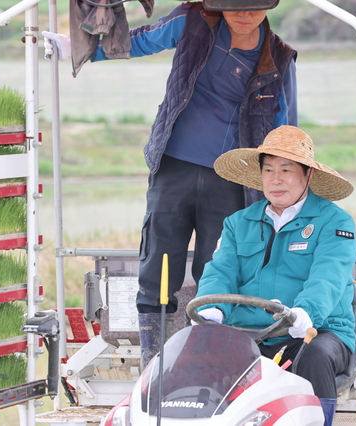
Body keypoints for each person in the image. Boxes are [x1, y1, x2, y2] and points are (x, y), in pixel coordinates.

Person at [43, 0, 297, 369]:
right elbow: (138, 41)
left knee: (218, 275)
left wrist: (286, 184)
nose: (243, 14)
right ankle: (153, 368)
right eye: (234, 6)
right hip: (173, 168)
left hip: (233, 181)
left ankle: (209, 370)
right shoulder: (192, 20)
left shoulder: (280, 57)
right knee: (158, 269)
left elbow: (285, 127)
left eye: (253, 7)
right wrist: (76, 48)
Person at [193, 125, 356, 425]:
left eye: (286, 169)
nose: (275, 179)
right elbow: (221, 271)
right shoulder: (238, 223)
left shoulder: (334, 221)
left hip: (313, 332)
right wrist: (212, 310)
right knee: (201, 353)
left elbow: (328, 277)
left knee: (316, 354)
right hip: (248, 334)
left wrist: (305, 313)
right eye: (268, 170)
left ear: (308, 174)